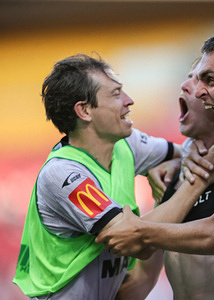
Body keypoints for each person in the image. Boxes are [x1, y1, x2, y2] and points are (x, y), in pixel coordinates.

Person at [96, 25, 214, 299]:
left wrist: (138, 229)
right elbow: (142, 278)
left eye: (205, 79)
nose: (191, 87)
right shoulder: (175, 173)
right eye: (192, 78)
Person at [11, 53, 204, 299]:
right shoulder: (63, 176)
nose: (129, 100)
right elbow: (137, 242)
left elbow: (183, 151)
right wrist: (199, 180)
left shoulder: (126, 144)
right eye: (115, 94)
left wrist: (173, 162)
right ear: (84, 111)